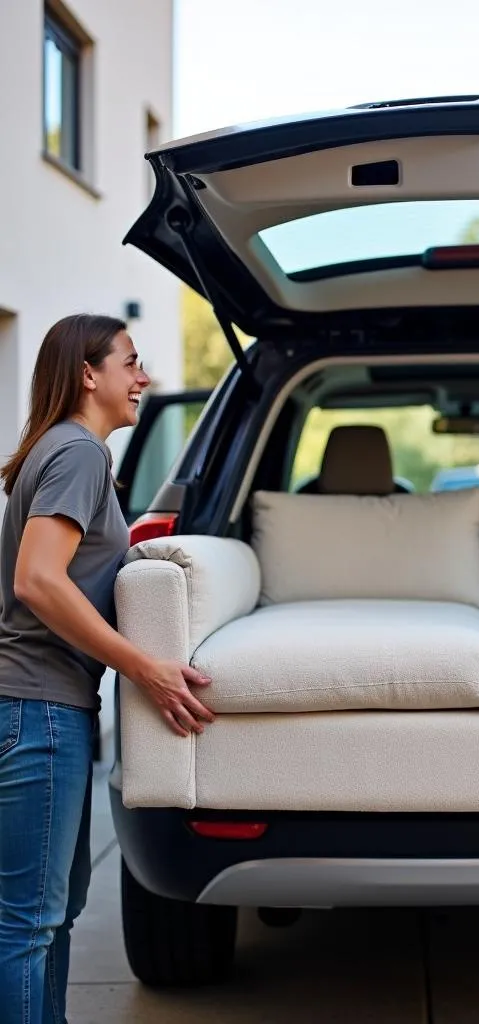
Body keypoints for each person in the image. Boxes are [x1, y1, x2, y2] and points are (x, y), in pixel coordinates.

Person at [0, 314, 215, 1024]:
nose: (144, 377)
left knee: (50, 914)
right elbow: (38, 579)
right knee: (28, 922)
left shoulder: (65, 451)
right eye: (131, 362)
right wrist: (146, 667)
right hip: (39, 709)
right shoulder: (78, 452)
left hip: (43, 708)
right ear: (88, 374)